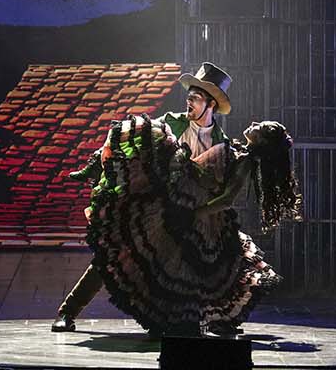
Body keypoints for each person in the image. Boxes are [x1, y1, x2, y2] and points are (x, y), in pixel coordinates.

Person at [53, 62, 233, 332]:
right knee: (117, 254)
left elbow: (219, 183)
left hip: (187, 214)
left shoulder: (220, 142)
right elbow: (133, 133)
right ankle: (68, 311)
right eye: (189, 97)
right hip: (155, 205)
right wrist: (104, 154)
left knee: (190, 268)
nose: (189, 103)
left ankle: (202, 319)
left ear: (211, 105)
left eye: (195, 99)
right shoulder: (172, 121)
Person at [83, 117, 300, 338]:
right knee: (172, 263)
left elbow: (227, 199)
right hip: (189, 200)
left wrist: (194, 214)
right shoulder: (237, 149)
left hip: (197, 212)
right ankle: (178, 320)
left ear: (261, 140)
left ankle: (179, 320)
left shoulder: (245, 161)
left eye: (259, 127)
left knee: (185, 269)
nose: (252, 124)